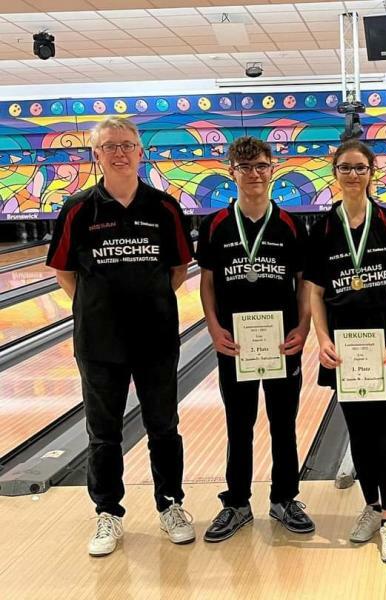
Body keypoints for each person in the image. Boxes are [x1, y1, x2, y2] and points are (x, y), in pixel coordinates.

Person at [46, 116, 195, 556]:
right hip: (98, 342)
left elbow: (179, 269)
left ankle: (170, 504)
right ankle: (108, 512)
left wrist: (146, 303)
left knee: (164, 428)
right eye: (110, 145)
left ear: (140, 151)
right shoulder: (78, 208)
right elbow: (62, 271)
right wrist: (101, 308)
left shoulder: (164, 207)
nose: (119, 152)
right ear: (97, 154)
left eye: (127, 144)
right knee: (103, 434)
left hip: (156, 338)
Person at [196, 136, 314, 542]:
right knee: (238, 423)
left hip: (283, 345)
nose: (254, 174)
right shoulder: (214, 225)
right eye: (245, 168)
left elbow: (304, 284)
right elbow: (207, 283)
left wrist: (304, 327)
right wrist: (212, 326)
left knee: (284, 424)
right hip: (236, 345)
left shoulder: (291, 225)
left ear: (272, 169)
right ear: (232, 173)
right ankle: (236, 503)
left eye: (261, 166)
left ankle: (284, 499)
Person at [305, 140, 386, 563]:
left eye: (360, 168)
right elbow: (315, 292)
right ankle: (370, 506)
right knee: (360, 433)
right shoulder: (323, 229)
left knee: (385, 433)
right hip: (346, 353)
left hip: (384, 346)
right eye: (345, 168)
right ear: (335, 172)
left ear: (372, 172)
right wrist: (323, 339)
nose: (353, 175)